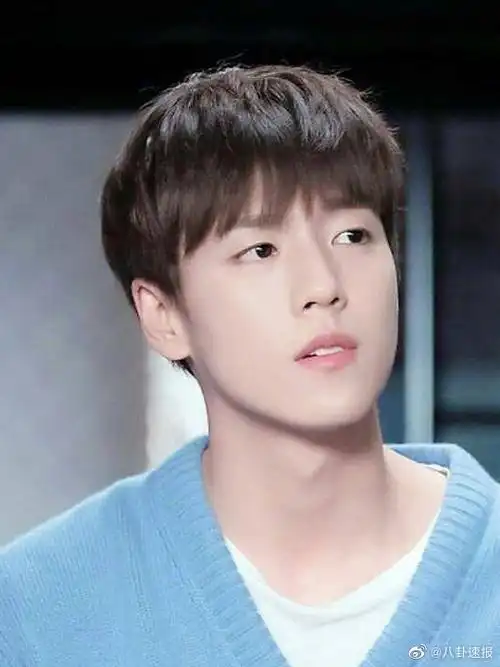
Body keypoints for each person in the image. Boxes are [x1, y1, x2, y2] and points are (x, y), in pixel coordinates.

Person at [0, 64, 499, 667]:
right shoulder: (39, 611)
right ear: (164, 315)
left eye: (352, 236)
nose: (323, 286)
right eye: (260, 250)